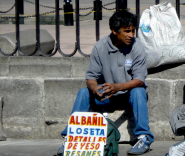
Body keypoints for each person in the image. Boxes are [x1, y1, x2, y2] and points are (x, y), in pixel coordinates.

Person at [57, 10, 154, 155]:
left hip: (128, 96)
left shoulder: (137, 47)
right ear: (115, 31)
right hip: (107, 96)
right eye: (127, 31)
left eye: (133, 31)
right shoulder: (100, 47)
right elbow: (91, 76)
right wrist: (94, 87)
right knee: (84, 92)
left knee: (139, 91)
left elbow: (139, 80)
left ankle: (144, 137)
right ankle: (71, 137)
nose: (131, 35)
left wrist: (118, 87)